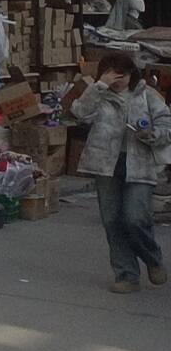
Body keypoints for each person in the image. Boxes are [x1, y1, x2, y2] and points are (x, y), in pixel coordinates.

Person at [70, 54, 171, 293]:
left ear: (131, 74)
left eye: (122, 75)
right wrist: (99, 86)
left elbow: (166, 124)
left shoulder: (147, 95)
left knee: (135, 218)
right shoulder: (99, 95)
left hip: (140, 164)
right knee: (112, 220)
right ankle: (126, 274)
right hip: (105, 165)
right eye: (111, 75)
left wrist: (153, 134)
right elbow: (79, 113)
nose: (117, 80)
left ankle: (153, 258)